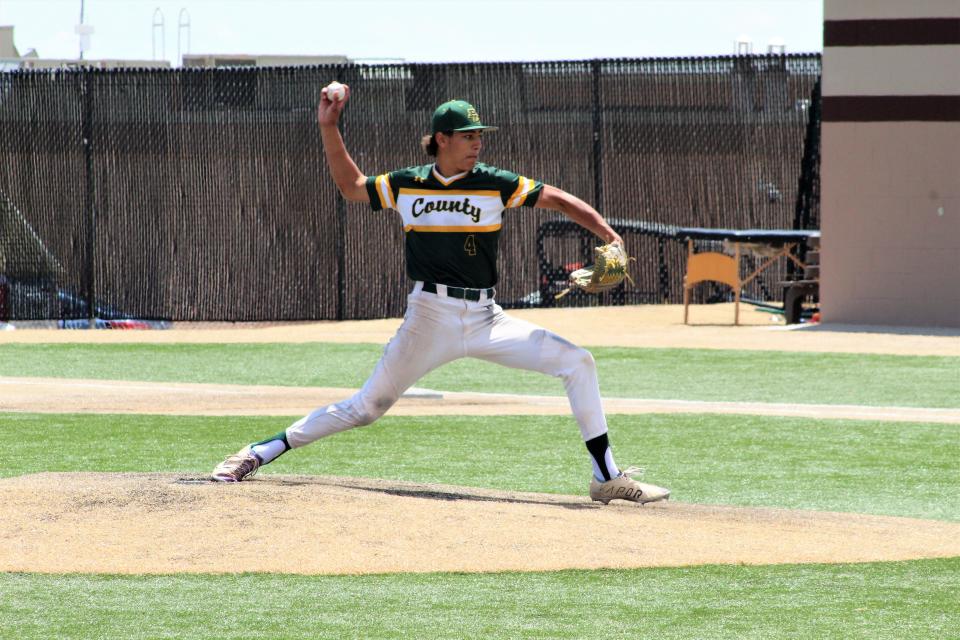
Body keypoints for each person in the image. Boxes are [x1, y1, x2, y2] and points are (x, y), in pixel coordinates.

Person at [211, 85, 670, 505]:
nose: (478, 142)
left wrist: (612, 237)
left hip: (488, 318)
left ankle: (606, 476)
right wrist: (329, 125)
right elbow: (352, 188)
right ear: (441, 139)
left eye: (479, 135)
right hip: (429, 317)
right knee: (367, 408)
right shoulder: (408, 183)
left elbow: (561, 201)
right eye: (468, 135)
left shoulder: (495, 182)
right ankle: (260, 451)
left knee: (578, 362)